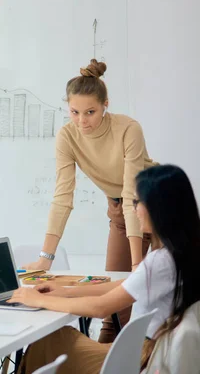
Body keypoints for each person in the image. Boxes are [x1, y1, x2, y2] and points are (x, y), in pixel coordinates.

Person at [9, 164, 200, 374]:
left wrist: (37, 300)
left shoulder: (161, 261)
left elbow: (101, 308)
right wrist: (67, 292)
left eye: (137, 202)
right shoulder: (182, 253)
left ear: (158, 208)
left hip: (137, 358)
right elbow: (127, 285)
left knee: (48, 341)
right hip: (145, 351)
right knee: (53, 338)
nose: (134, 210)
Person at [23, 59, 158, 342]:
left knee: (151, 296)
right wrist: (45, 259)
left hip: (154, 205)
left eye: (90, 112)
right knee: (114, 310)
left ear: (106, 104)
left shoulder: (127, 129)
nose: (82, 121)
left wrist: (135, 265)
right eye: (74, 112)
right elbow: (63, 196)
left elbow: (133, 190)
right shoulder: (67, 136)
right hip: (121, 209)